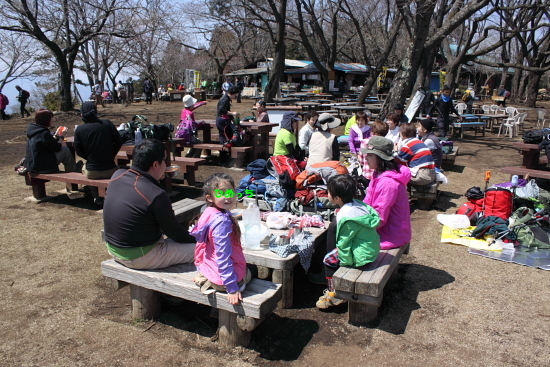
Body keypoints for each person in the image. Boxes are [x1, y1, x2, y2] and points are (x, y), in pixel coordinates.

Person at [103, 139, 196, 270]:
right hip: (141, 256)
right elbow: (173, 232)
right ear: (156, 165)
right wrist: (198, 240)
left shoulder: (117, 175)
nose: (167, 164)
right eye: (165, 160)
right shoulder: (156, 194)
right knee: (206, 250)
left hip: (114, 249)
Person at [316, 174, 381, 309]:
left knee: (328, 260)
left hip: (362, 256)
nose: (327, 194)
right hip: (370, 248)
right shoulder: (358, 205)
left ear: (337, 198)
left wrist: (345, 264)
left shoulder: (347, 217)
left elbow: (344, 244)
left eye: (328, 192)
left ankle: (334, 293)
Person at [191, 173, 253, 305]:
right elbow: (222, 256)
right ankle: (229, 286)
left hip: (208, 268)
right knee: (251, 272)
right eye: (220, 193)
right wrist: (232, 288)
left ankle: (207, 279)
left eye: (230, 192)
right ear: (210, 198)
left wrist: (199, 268)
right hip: (222, 280)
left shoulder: (209, 212)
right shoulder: (222, 223)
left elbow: (200, 245)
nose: (227, 197)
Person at [362, 136, 411, 249]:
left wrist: (359, 226)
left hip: (391, 235)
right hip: (384, 229)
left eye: (369, 155)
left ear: (380, 158)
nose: (366, 158)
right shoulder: (379, 174)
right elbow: (367, 201)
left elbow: (379, 217)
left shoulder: (387, 183)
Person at [74, 101, 123, 206]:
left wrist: (90, 158)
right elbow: (119, 142)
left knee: (83, 168)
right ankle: (110, 195)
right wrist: (111, 155)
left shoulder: (79, 129)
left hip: (92, 172)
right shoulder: (107, 124)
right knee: (121, 169)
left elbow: (78, 151)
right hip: (110, 169)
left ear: (82, 114)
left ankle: (96, 196)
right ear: (96, 112)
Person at [23, 109, 79, 173]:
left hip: (33, 165)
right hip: (42, 167)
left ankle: (73, 169)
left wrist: (56, 135)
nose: (52, 121)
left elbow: (48, 143)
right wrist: (62, 136)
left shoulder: (34, 130)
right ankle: (73, 171)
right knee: (65, 150)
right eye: (50, 119)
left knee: (64, 149)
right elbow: (57, 148)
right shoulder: (43, 133)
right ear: (46, 120)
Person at [216, 86, 240, 162]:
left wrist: (232, 119)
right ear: (231, 93)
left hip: (224, 120)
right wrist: (232, 113)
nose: (235, 97)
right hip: (222, 121)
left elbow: (226, 110)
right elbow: (221, 110)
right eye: (235, 95)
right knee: (225, 139)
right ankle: (224, 159)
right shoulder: (225, 99)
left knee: (224, 138)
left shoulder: (226, 98)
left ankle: (224, 158)